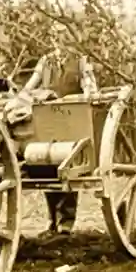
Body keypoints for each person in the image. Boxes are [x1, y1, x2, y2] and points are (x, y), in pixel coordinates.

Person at [15, 45, 97, 235]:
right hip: (47, 123)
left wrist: (85, 94)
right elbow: (29, 88)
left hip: (71, 121)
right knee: (47, 171)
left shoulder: (80, 60)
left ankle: (66, 222)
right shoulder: (46, 61)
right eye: (55, 35)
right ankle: (52, 220)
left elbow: (90, 89)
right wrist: (24, 97)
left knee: (67, 169)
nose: (60, 41)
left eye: (62, 35)